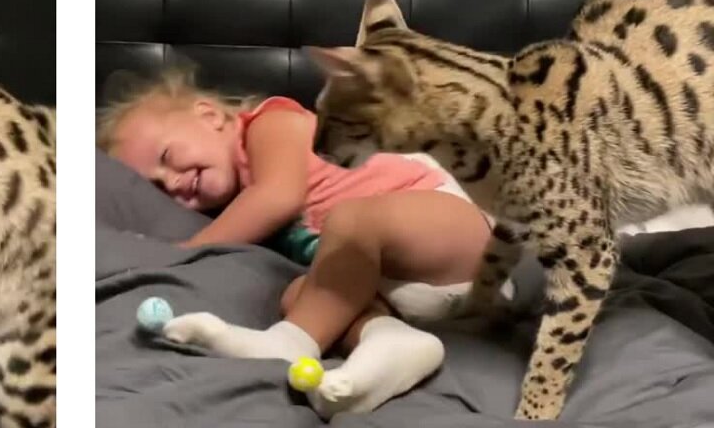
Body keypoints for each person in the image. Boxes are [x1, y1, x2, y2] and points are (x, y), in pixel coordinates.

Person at [96, 67, 494, 416]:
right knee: (299, 293)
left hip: (454, 227)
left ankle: (289, 343)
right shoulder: (235, 205)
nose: (173, 182)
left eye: (167, 156)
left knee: (353, 221)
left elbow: (278, 197)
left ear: (211, 115)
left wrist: (185, 250)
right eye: (158, 187)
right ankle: (392, 341)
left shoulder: (271, 122)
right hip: (400, 288)